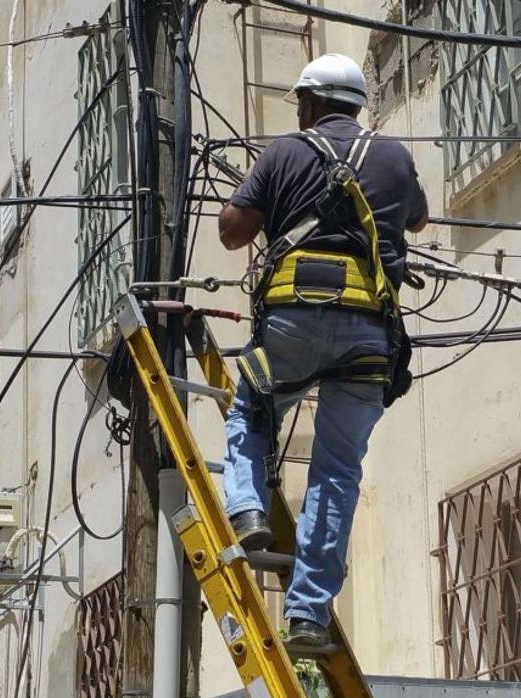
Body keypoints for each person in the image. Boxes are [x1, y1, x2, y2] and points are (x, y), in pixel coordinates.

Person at [217, 53, 429, 647]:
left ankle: (248, 511)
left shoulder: (285, 151)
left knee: (251, 408)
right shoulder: (392, 155)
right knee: (337, 474)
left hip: (292, 323)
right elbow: (417, 220)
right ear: (358, 106)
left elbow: (233, 230)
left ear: (310, 103)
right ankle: (308, 614)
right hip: (368, 335)